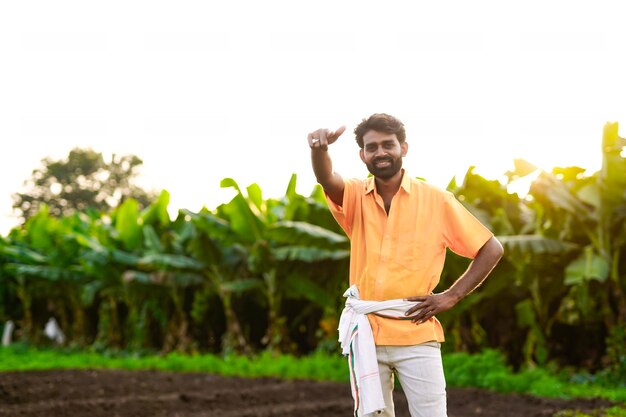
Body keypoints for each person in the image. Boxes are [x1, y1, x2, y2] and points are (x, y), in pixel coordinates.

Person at [308, 113, 504, 417]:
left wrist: (451, 296)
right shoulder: (356, 197)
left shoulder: (436, 200)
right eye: (372, 147)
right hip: (368, 336)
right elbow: (326, 178)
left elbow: (491, 248)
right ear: (362, 155)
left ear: (404, 148)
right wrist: (319, 149)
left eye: (389, 144)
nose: (381, 152)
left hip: (416, 333)